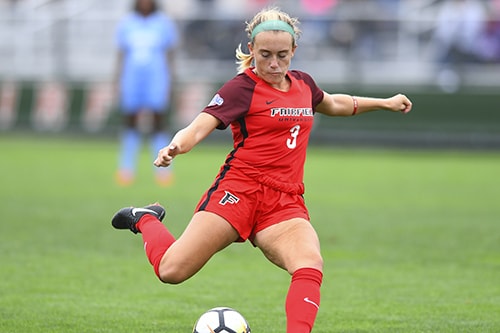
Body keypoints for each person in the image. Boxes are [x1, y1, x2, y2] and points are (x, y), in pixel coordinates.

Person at [111, 7, 412, 332]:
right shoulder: (241, 88)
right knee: (171, 271)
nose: (273, 63)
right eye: (265, 54)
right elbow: (199, 126)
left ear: (293, 51)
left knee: (310, 263)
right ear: (251, 49)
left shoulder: (303, 85)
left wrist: (384, 102)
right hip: (237, 193)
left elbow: (335, 103)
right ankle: (145, 218)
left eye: (282, 55)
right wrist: (175, 147)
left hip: (284, 202)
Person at [114, 0, 178, 186]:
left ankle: (164, 169)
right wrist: (117, 80)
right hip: (132, 78)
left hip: (157, 77)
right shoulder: (127, 22)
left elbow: (170, 53)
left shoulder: (163, 22)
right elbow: (121, 53)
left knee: (158, 120)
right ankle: (126, 168)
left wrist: (171, 81)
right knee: (130, 120)